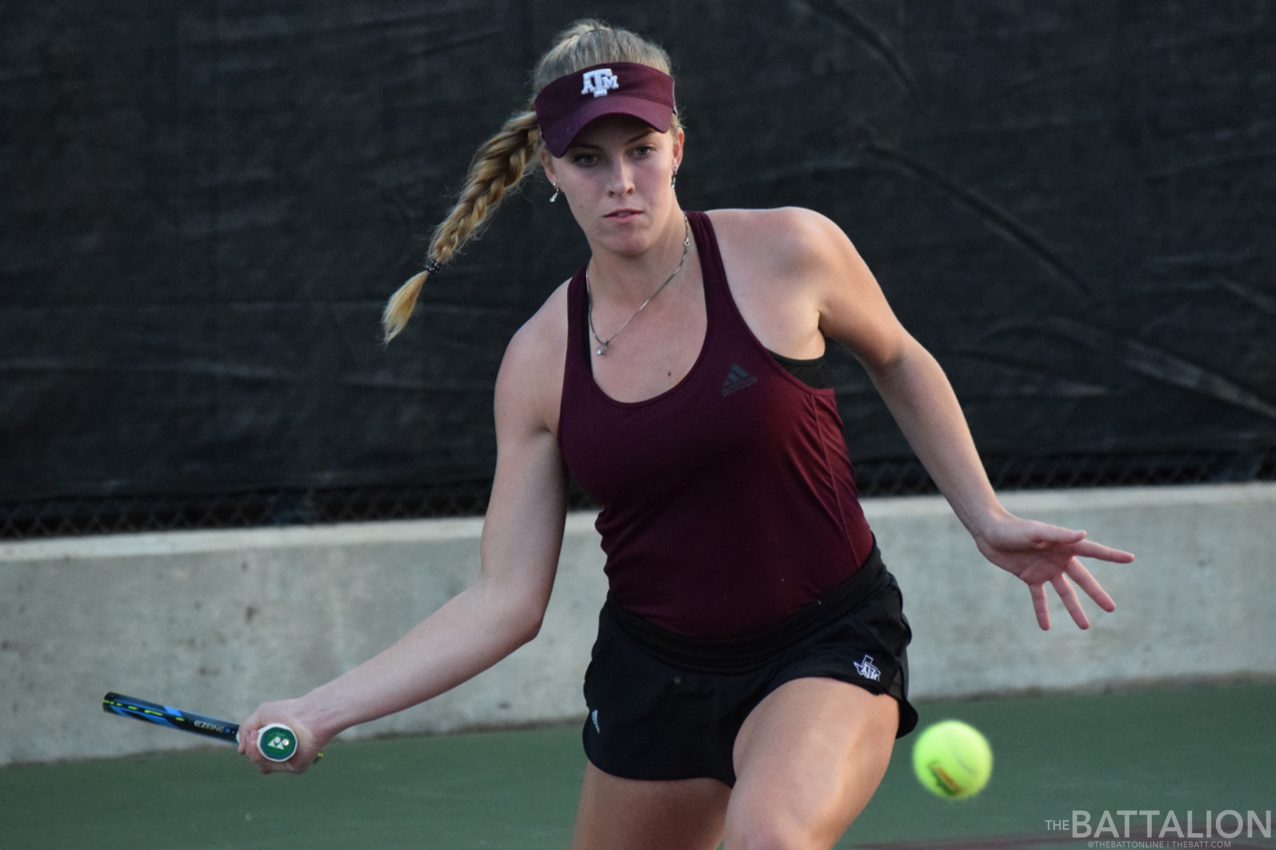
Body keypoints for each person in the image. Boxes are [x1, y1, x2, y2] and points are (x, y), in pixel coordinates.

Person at [239, 20, 1134, 850]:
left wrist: (984, 516)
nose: (620, 181)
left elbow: (899, 360)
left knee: (767, 838)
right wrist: (323, 708)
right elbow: (506, 599)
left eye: (640, 149)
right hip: (653, 675)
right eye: (588, 158)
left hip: (825, 640)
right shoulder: (537, 361)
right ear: (549, 170)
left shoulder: (791, 251)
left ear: (678, 144)